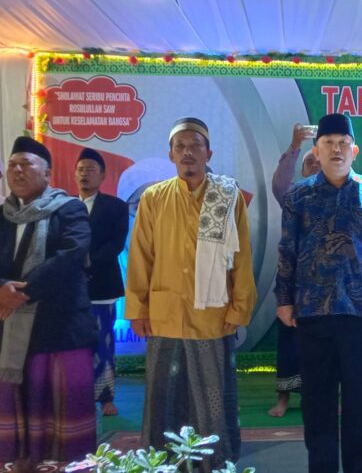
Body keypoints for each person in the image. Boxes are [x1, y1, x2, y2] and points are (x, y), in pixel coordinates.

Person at [126, 117, 257, 470]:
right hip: (164, 312)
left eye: (195, 145)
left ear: (208, 153)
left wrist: (239, 308)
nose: (187, 152)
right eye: (180, 146)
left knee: (212, 393)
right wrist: (138, 308)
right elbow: (141, 255)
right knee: (163, 394)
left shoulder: (226, 196)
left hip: (212, 313)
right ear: (170, 154)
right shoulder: (153, 198)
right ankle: (161, 461)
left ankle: (214, 460)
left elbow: (242, 256)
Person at [275, 113, 362, 473]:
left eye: (343, 143)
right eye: (328, 143)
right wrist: (284, 299)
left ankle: (357, 467)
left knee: (360, 400)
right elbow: (287, 249)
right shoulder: (299, 196)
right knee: (318, 401)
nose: (336, 149)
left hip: (361, 313)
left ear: (354, 150)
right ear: (316, 150)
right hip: (312, 311)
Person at [0, 137, 96, 471]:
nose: (17, 170)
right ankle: (22, 461)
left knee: (63, 414)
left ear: (47, 173)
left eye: (26, 163)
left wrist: (19, 293)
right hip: (12, 330)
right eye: (12, 164)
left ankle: (64, 463)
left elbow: (72, 255)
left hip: (61, 327)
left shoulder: (69, 209)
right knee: (18, 408)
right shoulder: (2, 215)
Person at [268, 124, 321, 418]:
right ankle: (284, 399)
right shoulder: (293, 196)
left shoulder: (340, 193)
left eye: (318, 161)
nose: (314, 165)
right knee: (288, 340)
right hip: (294, 281)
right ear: (301, 170)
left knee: (324, 343)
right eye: (309, 162)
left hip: (325, 285)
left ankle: (321, 396)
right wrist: (295, 146)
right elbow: (278, 183)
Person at [75, 148, 129, 417]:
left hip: (103, 286)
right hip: (72, 289)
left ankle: (106, 397)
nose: (85, 174)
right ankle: (78, 395)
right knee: (75, 345)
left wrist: (87, 263)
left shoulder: (116, 206)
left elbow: (116, 244)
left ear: (103, 175)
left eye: (91, 169)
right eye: (81, 169)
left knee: (104, 343)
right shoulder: (65, 206)